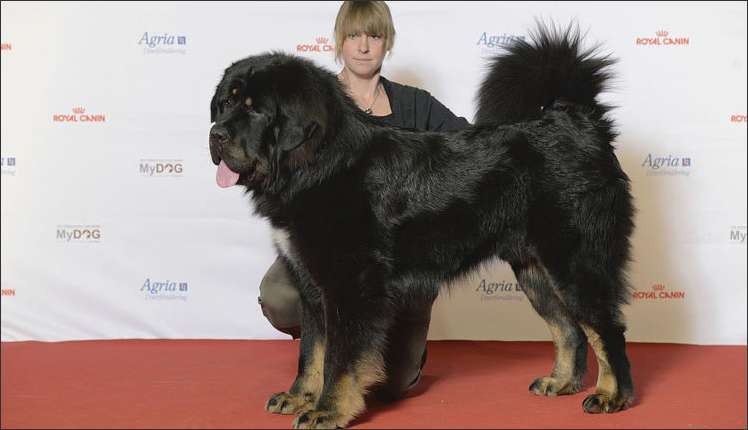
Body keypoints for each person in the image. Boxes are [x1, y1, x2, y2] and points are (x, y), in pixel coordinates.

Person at [258, 0, 469, 399]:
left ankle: (385, 345)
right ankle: (326, 350)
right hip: (326, 248)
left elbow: (469, 151)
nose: (363, 46)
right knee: (283, 295)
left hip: (401, 259)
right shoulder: (311, 105)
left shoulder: (415, 105)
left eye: (374, 35)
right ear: (338, 41)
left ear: (387, 42)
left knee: (393, 384)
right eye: (353, 35)